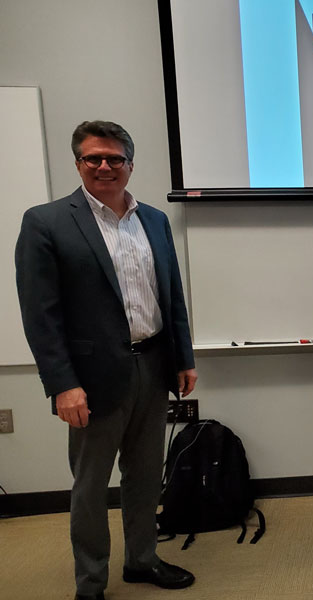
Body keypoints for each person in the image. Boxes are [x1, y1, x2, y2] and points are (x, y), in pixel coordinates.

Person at [15, 120, 198, 600]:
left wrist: (183, 357)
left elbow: (170, 296)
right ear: (77, 163)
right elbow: (40, 315)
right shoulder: (46, 222)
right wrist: (62, 384)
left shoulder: (154, 220)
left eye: (114, 158)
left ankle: (142, 560)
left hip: (153, 366)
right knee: (91, 486)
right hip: (91, 381)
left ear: (130, 165)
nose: (104, 166)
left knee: (143, 476)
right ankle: (91, 582)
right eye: (92, 158)